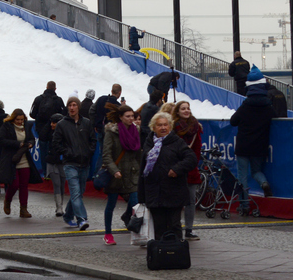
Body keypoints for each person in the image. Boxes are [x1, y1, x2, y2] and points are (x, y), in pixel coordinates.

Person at [139, 112, 198, 241]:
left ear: (170, 126)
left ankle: (175, 254)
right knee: (159, 227)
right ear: (153, 127)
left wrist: (177, 169)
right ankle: (161, 256)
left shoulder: (177, 142)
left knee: (174, 225)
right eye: (159, 125)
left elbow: (191, 158)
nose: (163, 128)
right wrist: (142, 194)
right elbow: (143, 169)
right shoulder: (149, 143)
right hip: (155, 193)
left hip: (173, 193)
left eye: (166, 125)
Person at [230, 66, 274, 213]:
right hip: (260, 145)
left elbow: (233, 121)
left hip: (243, 145)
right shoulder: (268, 108)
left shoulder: (245, 106)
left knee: (242, 176)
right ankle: (264, 183)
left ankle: (244, 205)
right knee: (256, 171)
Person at [101, 105, 142, 245]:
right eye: (128, 116)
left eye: (133, 116)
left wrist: (140, 169)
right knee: (111, 205)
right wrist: (114, 170)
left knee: (136, 204)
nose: (131, 119)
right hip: (116, 175)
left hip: (132, 174)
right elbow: (106, 155)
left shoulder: (136, 130)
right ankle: (108, 233)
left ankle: (139, 233)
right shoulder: (111, 132)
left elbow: (138, 153)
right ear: (120, 117)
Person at [52, 96, 94, 230]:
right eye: (70, 105)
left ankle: (68, 216)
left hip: (84, 163)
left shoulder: (86, 123)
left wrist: (89, 152)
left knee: (79, 193)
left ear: (78, 107)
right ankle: (82, 219)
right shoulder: (62, 124)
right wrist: (67, 152)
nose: (72, 107)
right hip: (70, 163)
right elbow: (56, 143)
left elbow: (93, 140)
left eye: (74, 105)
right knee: (75, 192)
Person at [30, 81, 67, 216]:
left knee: (45, 150)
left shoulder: (39, 99)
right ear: (55, 88)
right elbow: (64, 114)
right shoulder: (58, 100)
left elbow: (32, 114)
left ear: (46, 87)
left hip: (42, 130)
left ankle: (46, 173)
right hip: (58, 130)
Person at [172, 101, 204, 240]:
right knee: (176, 200)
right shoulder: (173, 127)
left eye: (188, 108)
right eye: (183, 108)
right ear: (177, 112)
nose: (186, 111)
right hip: (176, 168)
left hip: (190, 169)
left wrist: (191, 164)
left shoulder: (195, 127)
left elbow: (197, 148)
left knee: (191, 201)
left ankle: (189, 229)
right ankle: (175, 227)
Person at [0, 109, 35, 218]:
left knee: (24, 185)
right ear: (13, 119)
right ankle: (7, 200)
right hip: (11, 159)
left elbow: (32, 138)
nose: (20, 122)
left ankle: (23, 209)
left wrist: (30, 144)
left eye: (22, 120)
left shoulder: (27, 126)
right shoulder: (6, 126)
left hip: (24, 159)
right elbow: (0, 140)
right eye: (17, 120)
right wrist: (18, 144)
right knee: (14, 184)